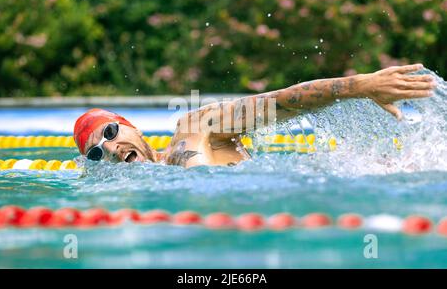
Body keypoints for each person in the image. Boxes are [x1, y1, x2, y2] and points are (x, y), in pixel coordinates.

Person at [73, 64, 436, 168]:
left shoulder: (196, 128)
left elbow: (278, 103)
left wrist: (359, 85)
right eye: (95, 153)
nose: (110, 148)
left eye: (109, 132)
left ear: (132, 128)